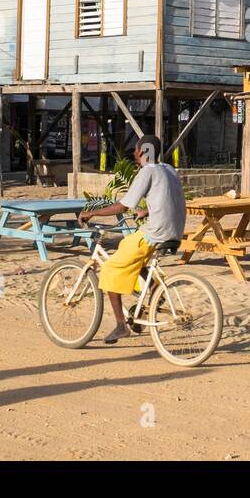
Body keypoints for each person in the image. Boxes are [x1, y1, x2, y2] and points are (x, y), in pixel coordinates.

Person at [76, 134, 186, 344]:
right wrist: (146, 211)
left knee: (109, 269)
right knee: (133, 252)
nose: (134, 154)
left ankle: (120, 326)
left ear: (144, 152)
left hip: (157, 232)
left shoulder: (147, 172)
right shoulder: (169, 169)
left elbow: (123, 206)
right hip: (175, 230)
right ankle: (154, 293)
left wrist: (93, 213)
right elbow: (167, 199)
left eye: (136, 150)